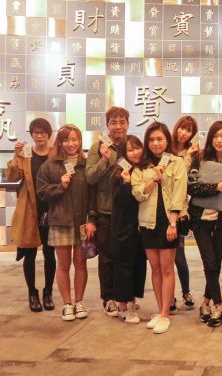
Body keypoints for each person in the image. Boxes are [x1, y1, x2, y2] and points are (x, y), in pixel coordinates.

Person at [131, 122, 189, 334]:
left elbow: (179, 193)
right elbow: (138, 193)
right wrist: (154, 179)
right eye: (152, 140)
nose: (155, 143)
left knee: (166, 268)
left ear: (167, 140)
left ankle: (165, 313)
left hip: (168, 222)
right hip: (147, 221)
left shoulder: (176, 162)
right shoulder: (141, 166)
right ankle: (160, 309)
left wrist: (173, 222)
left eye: (159, 139)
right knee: (154, 268)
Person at [36, 124, 94, 322]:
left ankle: (79, 302)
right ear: (59, 142)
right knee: (63, 265)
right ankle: (67, 304)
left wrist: (91, 218)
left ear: (80, 141)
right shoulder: (49, 165)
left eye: (75, 139)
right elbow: (42, 192)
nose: (71, 144)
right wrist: (61, 186)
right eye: (66, 140)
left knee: (81, 263)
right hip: (60, 221)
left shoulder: (86, 165)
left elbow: (93, 194)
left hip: (82, 223)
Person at [187, 121, 222, 328]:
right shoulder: (199, 158)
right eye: (216, 136)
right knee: (209, 262)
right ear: (210, 138)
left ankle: (205, 302)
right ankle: (219, 305)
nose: (219, 140)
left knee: (215, 262)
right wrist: (216, 187)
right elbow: (192, 187)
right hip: (200, 219)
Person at [6, 118, 56, 312]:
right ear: (32, 134)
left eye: (43, 132)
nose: (40, 136)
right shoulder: (26, 154)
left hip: (51, 209)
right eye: (36, 132)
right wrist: (15, 155)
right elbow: (12, 177)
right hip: (29, 209)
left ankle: (48, 292)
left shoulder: (55, 153)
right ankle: (32, 293)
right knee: (30, 253)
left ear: (49, 134)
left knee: (50, 253)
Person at [85, 106, 129, 317]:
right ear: (107, 125)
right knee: (107, 258)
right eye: (113, 122)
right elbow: (89, 178)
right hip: (105, 211)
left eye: (122, 122)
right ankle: (108, 298)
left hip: (128, 211)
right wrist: (104, 159)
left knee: (126, 257)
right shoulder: (98, 147)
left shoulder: (132, 145)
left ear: (127, 124)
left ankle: (124, 297)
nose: (118, 126)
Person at [111, 135, 148, 324]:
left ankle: (132, 301)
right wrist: (126, 184)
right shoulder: (119, 174)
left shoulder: (143, 170)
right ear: (123, 153)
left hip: (140, 226)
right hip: (124, 228)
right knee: (124, 266)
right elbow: (123, 202)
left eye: (138, 148)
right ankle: (123, 306)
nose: (135, 152)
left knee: (138, 264)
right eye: (130, 150)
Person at [170, 116, 199, 313]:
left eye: (189, 130)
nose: (184, 133)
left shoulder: (194, 154)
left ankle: (186, 292)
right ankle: (169, 296)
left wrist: (189, 156)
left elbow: (187, 180)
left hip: (180, 210)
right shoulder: (166, 149)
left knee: (180, 255)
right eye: (182, 128)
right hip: (163, 208)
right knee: (166, 258)